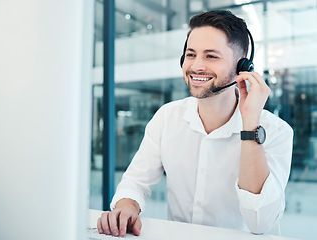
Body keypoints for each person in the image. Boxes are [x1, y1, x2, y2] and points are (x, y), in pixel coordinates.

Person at [97, 10, 293, 237]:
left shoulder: (276, 131)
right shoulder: (167, 117)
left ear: (242, 68)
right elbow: (135, 182)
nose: (196, 66)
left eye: (211, 56)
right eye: (190, 55)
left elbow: (261, 223)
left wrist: (250, 127)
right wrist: (126, 206)